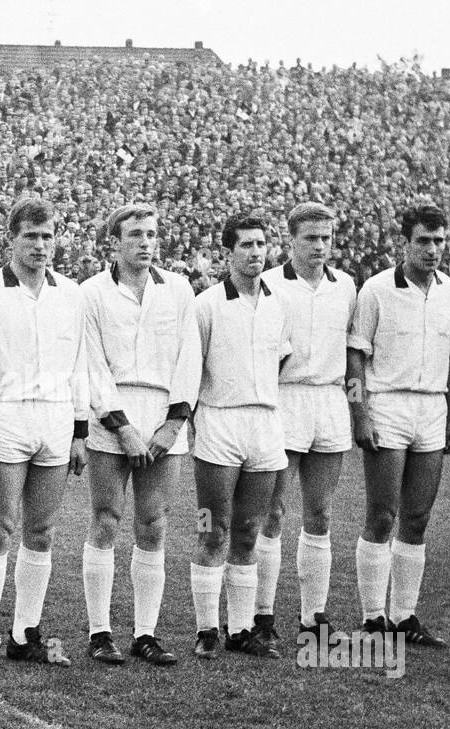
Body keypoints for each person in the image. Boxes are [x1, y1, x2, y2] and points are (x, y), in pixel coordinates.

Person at [0, 197, 88, 670]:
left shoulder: (70, 293)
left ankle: (25, 633)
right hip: (6, 417)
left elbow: (80, 364)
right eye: (30, 236)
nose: (39, 245)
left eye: (47, 235)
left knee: (42, 530)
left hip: (55, 419)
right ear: (11, 238)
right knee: (0, 529)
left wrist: (79, 430)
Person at [80, 203, 200, 666]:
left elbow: (190, 357)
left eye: (151, 234)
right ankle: (100, 632)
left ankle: (145, 633)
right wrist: (121, 426)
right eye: (135, 235)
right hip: (112, 414)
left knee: (153, 523)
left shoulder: (179, 289)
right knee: (107, 518)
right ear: (115, 241)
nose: (145, 242)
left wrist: (173, 423)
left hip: (163, 414)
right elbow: (90, 362)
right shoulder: (92, 292)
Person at [345, 203, 450, 647]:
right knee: (382, 514)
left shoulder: (448, 289)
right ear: (404, 243)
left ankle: (404, 617)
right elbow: (355, 356)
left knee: (417, 517)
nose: (432, 250)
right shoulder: (375, 290)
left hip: (431, 409)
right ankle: (374, 618)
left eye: (439, 241)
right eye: (423, 241)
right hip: (387, 405)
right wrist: (360, 412)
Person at [190, 214, 292, 659]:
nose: (255, 253)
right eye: (246, 245)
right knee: (213, 528)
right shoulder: (207, 304)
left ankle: (242, 629)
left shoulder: (278, 302)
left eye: (261, 244)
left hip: (265, 425)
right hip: (219, 423)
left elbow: (281, 362)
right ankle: (206, 630)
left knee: (250, 529)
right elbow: (191, 371)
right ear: (226, 253)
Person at [262, 203, 357, 644]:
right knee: (272, 511)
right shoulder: (269, 285)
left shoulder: (346, 286)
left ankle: (312, 616)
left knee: (320, 512)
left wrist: (356, 407)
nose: (320, 246)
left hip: (331, 400)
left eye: (326, 237)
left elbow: (354, 357)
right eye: (310, 238)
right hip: (286, 398)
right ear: (291, 240)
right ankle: (261, 614)